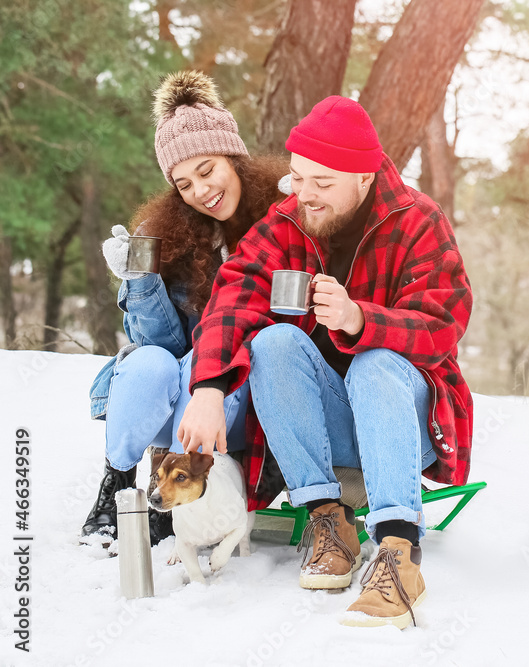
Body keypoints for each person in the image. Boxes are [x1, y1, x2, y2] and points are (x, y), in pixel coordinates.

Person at [177, 96, 474, 628]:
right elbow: (233, 294)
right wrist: (209, 388)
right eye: (297, 178)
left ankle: (398, 553)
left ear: (364, 177)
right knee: (273, 343)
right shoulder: (288, 220)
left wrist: (362, 320)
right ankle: (328, 521)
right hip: (333, 422)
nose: (304, 195)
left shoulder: (417, 219)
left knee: (374, 361)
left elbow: (445, 323)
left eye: (322, 183)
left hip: (407, 418)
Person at [82, 70, 288, 546]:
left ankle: (180, 491)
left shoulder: (277, 221)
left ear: (234, 157)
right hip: (177, 396)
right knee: (148, 361)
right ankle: (117, 482)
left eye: (207, 169)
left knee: (203, 358)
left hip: (237, 405)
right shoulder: (172, 236)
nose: (200, 190)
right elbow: (162, 344)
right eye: (184, 183)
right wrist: (141, 283)